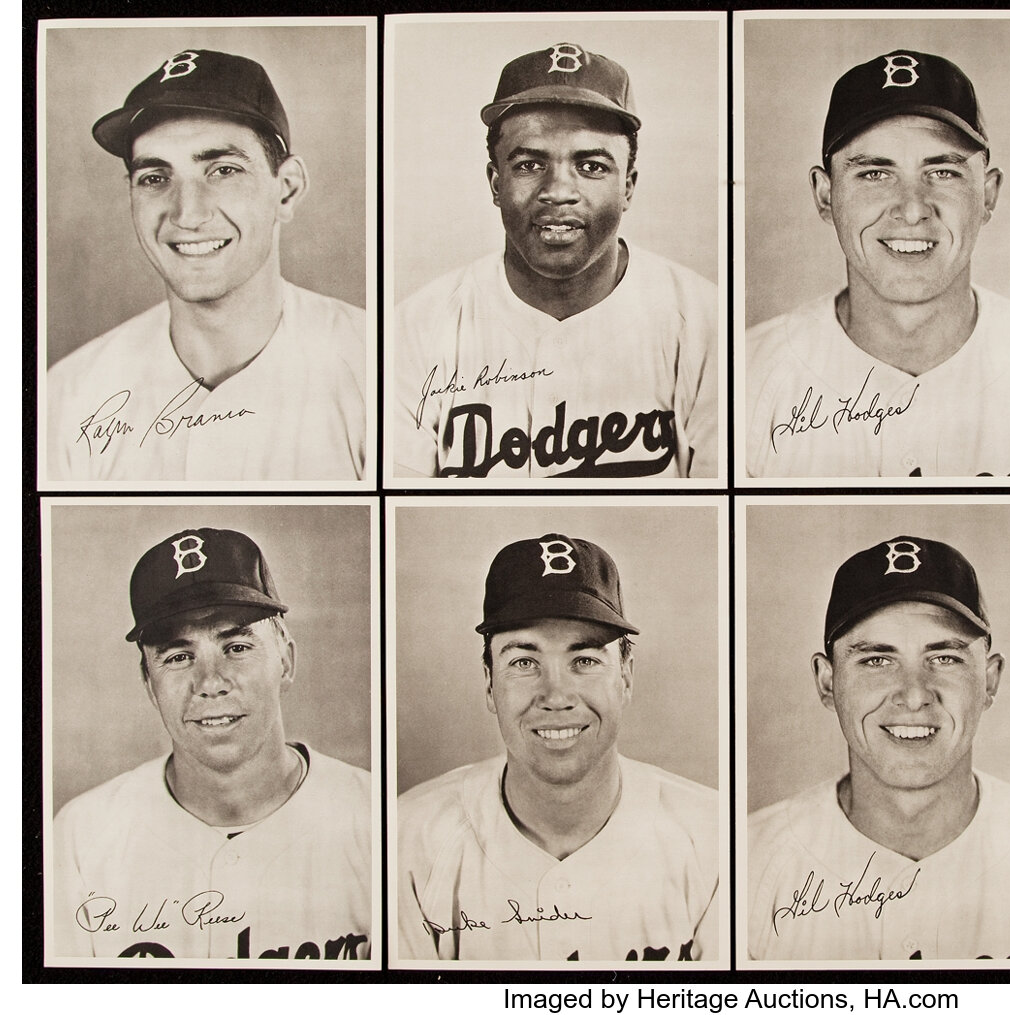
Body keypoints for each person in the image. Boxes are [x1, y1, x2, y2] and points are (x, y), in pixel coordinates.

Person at [394, 44, 717, 479]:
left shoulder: (706, 321)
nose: (558, 190)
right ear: (495, 183)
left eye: (592, 166)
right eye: (529, 164)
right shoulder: (416, 328)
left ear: (629, 187)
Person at [46, 49, 370, 482]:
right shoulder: (65, 395)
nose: (188, 214)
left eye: (223, 170)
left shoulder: (377, 370)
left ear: (287, 191)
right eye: (155, 178)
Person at [51, 528, 372, 960]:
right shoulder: (79, 838)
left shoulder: (378, 822)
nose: (210, 683)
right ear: (149, 683)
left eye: (236, 646)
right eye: (178, 657)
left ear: (286, 662)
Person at [744, 50, 1010, 479]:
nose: (912, 209)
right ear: (826, 195)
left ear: (987, 195)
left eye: (943, 172)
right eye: (875, 173)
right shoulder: (745, 377)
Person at [396, 534, 718, 961]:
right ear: (490, 684)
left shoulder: (716, 838)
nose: (556, 694)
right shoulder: (406, 839)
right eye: (524, 662)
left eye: (584, 660)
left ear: (626, 677)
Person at [746, 536, 1010, 960]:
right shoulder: (744, 864)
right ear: (827, 682)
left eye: (945, 658)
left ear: (989, 681)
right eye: (877, 660)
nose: (914, 695)